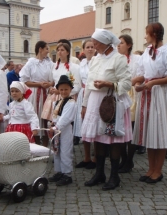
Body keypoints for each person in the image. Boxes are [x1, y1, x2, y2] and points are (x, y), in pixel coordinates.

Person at [132, 22, 167, 183]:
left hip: (160, 95)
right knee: (149, 132)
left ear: (154, 35)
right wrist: (135, 82)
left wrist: (152, 83)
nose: (144, 36)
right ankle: (150, 168)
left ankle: (158, 170)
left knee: (159, 132)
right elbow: (143, 74)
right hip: (147, 95)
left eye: (146, 33)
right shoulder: (147, 52)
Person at [82, 29, 132, 191]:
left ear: (104, 42)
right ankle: (99, 173)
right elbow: (89, 84)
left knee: (113, 140)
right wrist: (84, 104)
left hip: (112, 102)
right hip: (95, 102)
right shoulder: (96, 59)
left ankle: (114, 176)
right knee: (98, 137)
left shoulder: (119, 59)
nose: (93, 45)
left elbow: (126, 84)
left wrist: (109, 84)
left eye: (95, 42)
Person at [19, 41, 54, 146]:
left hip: (47, 93)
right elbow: (24, 81)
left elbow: (54, 79)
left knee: (46, 118)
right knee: (35, 117)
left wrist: (50, 84)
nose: (48, 51)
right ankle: (36, 143)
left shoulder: (50, 63)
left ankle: (46, 145)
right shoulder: (30, 63)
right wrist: (39, 84)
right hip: (34, 93)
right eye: (46, 49)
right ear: (40, 49)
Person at [116, 34, 141, 173]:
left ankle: (129, 160)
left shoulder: (137, 59)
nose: (118, 45)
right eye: (117, 43)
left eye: (121, 43)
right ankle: (123, 158)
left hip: (133, 95)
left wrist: (134, 81)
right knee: (120, 129)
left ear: (129, 45)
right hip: (119, 94)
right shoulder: (116, 59)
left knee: (130, 128)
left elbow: (143, 74)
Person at [48, 75, 77, 186]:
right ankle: (59, 171)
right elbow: (54, 115)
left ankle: (67, 174)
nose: (64, 91)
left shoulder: (71, 103)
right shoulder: (57, 102)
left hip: (64, 130)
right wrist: (52, 123)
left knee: (65, 151)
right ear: (58, 90)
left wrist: (56, 127)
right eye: (61, 89)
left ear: (70, 90)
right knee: (57, 151)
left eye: (66, 89)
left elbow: (66, 118)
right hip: (57, 130)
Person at [41, 43, 81, 122]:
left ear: (68, 52)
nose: (59, 52)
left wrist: (60, 91)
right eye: (58, 50)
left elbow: (77, 85)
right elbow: (52, 82)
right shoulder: (54, 66)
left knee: (66, 121)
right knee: (52, 121)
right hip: (55, 97)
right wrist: (50, 89)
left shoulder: (75, 67)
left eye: (62, 50)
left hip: (68, 96)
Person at [74, 39, 97, 169]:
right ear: (83, 49)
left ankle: (95, 158)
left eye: (92, 47)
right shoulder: (81, 63)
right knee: (84, 126)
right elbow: (75, 78)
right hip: (82, 94)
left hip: (94, 93)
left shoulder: (98, 61)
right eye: (87, 47)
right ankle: (86, 157)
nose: (90, 49)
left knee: (93, 125)